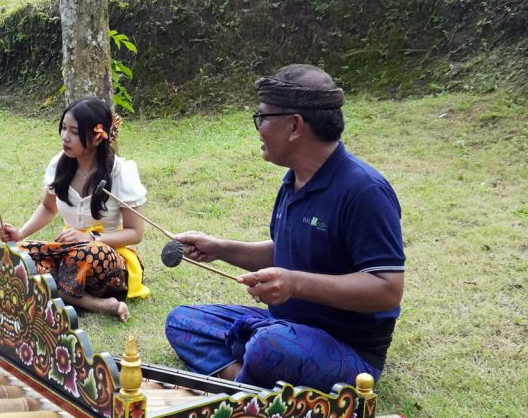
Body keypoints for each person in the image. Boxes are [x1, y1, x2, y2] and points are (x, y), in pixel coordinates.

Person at [165, 64, 405, 393]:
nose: (258, 128)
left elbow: (387, 288)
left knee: (268, 347)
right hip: (282, 326)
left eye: (262, 118)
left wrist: (295, 285)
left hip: (346, 349)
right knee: (182, 321)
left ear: (294, 126)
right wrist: (220, 249)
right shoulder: (293, 180)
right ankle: (246, 379)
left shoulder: (364, 191)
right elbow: (288, 251)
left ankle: (248, 376)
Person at [0, 97, 149, 322]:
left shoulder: (121, 171)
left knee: (86, 254)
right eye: (64, 128)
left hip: (105, 256)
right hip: (67, 251)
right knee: (17, 256)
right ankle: (93, 302)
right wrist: (21, 234)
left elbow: (135, 233)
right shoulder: (59, 164)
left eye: (74, 132)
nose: (65, 137)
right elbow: (47, 207)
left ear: (98, 137)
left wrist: (90, 237)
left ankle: (56, 290)